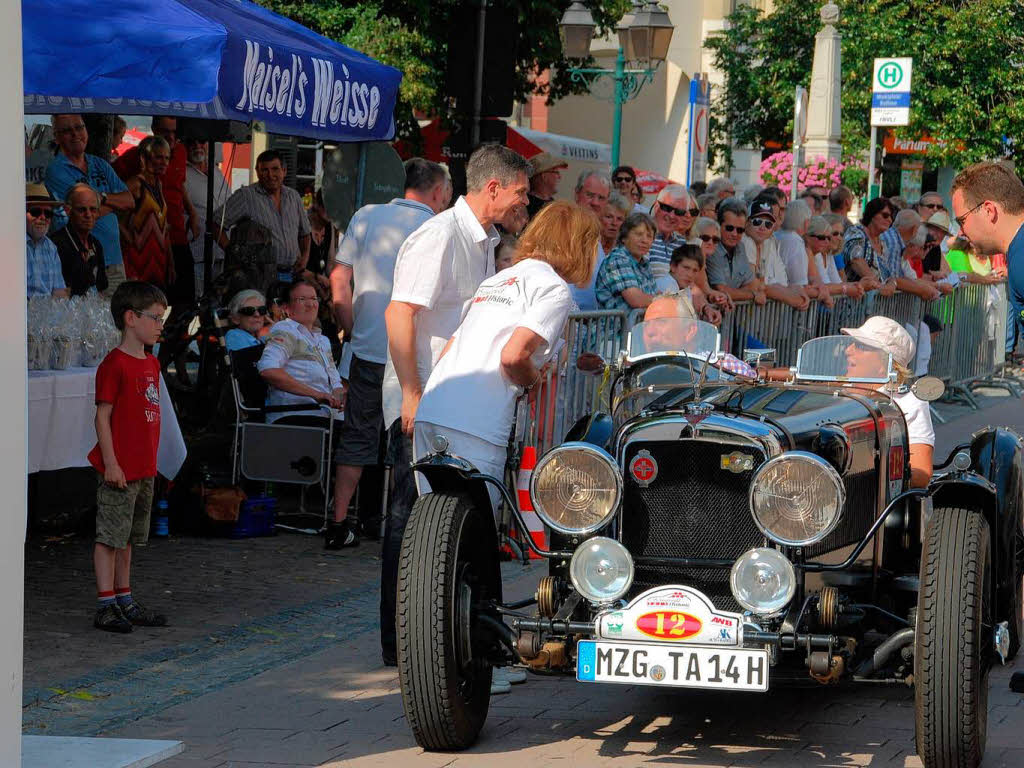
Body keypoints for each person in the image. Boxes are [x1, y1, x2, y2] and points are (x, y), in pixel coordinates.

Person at [380, 144, 529, 667]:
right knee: (412, 521)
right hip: (424, 401)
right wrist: (412, 390)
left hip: (455, 402)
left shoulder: (483, 241)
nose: (523, 205)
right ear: (493, 188)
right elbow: (399, 315)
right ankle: (403, 645)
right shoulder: (438, 235)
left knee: (446, 524)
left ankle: (436, 639)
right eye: (520, 194)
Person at [415, 201, 596, 519]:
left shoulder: (498, 279)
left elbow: (452, 347)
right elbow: (514, 356)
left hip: (434, 407)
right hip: (477, 420)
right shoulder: (554, 289)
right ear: (578, 246)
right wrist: (534, 381)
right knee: (473, 531)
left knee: (429, 528)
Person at [329, 157, 449, 551]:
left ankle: (339, 519)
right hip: (411, 354)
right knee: (407, 440)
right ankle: (405, 530)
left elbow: (338, 278)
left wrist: (350, 324)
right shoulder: (437, 227)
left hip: (366, 347)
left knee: (358, 435)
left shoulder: (365, 216)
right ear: (437, 191)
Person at [87, 281, 169, 632]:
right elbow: (102, 415)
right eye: (154, 317)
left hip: (143, 467)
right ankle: (105, 603)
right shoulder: (114, 364)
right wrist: (112, 463)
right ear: (131, 318)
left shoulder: (151, 363)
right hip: (120, 469)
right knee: (110, 537)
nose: (159, 325)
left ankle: (125, 596)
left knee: (130, 537)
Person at [115, 116, 200, 305]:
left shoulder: (164, 175)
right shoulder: (135, 173)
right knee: (145, 305)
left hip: (167, 244)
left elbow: (179, 185)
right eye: (165, 131)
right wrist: (130, 238)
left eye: (174, 132)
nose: (170, 136)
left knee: (181, 302)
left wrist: (192, 211)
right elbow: (113, 206)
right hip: (140, 255)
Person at [841, 317, 934, 487]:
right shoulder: (836, 390)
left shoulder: (909, 403)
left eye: (861, 346)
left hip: (879, 500)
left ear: (885, 363)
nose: (848, 350)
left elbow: (921, 474)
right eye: (851, 343)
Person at [45, 114, 134, 293]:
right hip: (80, 261)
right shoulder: (56, 170)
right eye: (67, 130)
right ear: (56, 137)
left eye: (79, 127)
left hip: (114, 261)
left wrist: (102, 198)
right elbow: (79, 212)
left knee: (117, 318)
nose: (75, 134)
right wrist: (110, 204)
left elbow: (130, 201)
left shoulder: (100, 164)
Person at [213, 150, 311, 290]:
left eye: (275, 169)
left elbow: (305, 233)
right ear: (257, 172)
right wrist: (233, 252)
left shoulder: (293, 196)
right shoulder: (246, 196)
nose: (270, 175)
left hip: (291, 276)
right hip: (258, 278)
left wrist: (305, 258)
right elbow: (216, 224)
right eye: (264, 170)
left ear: (284, 171)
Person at [257, 280, 342, 425]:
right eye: (302, 299)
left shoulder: (323, 341)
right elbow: (268, 370)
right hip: (294, 416)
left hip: (324, 416)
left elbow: (335, 383)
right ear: (286, 308)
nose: (310, 304)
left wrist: (342, 398)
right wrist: (317, 395)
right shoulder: (285, 330)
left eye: (314, 299)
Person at [641, 297, 755, 377]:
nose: (649, 331)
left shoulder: (723, 366)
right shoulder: (635, 374)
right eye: (646, 325)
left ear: (689, 331)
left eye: (661, 322)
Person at [120, 136, 174, 292]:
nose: (164, 162)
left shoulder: (158, 184)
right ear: (145, 158)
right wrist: (130, 239)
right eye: (158, 157)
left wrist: (170, 263)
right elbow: (112, 215)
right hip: (136, 263)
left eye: (167, 158)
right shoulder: (135, 184)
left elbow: (164, 227)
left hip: (158, 263)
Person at [741, 197, 809, 308]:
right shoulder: (746, 242)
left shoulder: (767, 243)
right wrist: (792, 299)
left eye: (768, 224)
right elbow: (755, 286)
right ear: (747, 223)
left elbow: (777, 282)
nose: (762, 227)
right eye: (757, 221)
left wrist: (795, 289)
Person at [184, 138, 230, 294]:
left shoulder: (216, 172)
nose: (197, 146)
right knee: (193, 307)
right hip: (198, 255)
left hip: (221, 255)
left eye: (202, 141)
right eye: (192, 143)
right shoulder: (182, 174)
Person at [594, 212, 658, 311]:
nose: (644, 240)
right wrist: (665, 300)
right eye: (638, 234)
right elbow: (636, 300)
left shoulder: (644, 264)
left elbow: (653, 295)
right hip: (615, 326)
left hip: (639, 325)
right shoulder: (617, 260)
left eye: (649, 236)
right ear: (624, 238)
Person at [52, 183, 108, 296]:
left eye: (93, 209)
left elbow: (101, 290)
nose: (88, 215)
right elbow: (57, 295)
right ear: (68, 211)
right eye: (81, 210)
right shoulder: (55, 244)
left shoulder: (96, 244)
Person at [707, 198, 766, 304]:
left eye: (740, 230)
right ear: (719, 225)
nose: (734, 234)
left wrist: (739, 293)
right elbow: (721, 290)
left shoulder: (741, 247)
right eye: (729, 228)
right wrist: (752, 295)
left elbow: (753, 284)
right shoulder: (711, 248)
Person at [568, 170, 612, 309]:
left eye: (601, 198)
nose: (595, 202)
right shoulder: (564, 228)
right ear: (577, 194)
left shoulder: (595, 235)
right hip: (570, 320)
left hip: (592, 323)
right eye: (590, 195)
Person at [842, 197, 893, 295]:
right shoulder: (856, 232)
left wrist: (892, 283)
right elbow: (856, 260)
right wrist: (880, 286)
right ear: (872, 214)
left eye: (891, 217)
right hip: (853, 303)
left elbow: (887, 273)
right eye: (885, 215)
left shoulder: (883, 243)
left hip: (875, 304)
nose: (890, 220)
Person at [804, 215, 862, 301]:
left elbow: (837, 282)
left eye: (841, 234)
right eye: (835, 233)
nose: (839, 238)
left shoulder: (829, 255)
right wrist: (850, 287)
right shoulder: (815, 254)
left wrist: (857, 286)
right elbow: (825, 286)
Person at [25, 183, 68, 298]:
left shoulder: (51, 247)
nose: (43, 217)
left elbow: (59, 293)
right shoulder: (10, 244)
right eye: (36, 212)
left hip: (46, 313)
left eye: (48, 213)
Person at [659, 244, 720, 324]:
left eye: (695, 270)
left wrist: (707, 310)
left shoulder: (685, 288)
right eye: (686, 268)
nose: (690, 275)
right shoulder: (665, 286)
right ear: (673, 266)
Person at [303, 190, 337, 292]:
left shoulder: (330, 227)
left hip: (320, 288)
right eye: (327, 207)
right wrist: (317, 277)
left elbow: (330, 264)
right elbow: (298, 268)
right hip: (303, 285)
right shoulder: (304, 226)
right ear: (317, 205)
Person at [526, 152, 567, 219]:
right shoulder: (528, 206)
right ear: (544, 176)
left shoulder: (555, 205)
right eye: (556, 172)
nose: (559, 176)